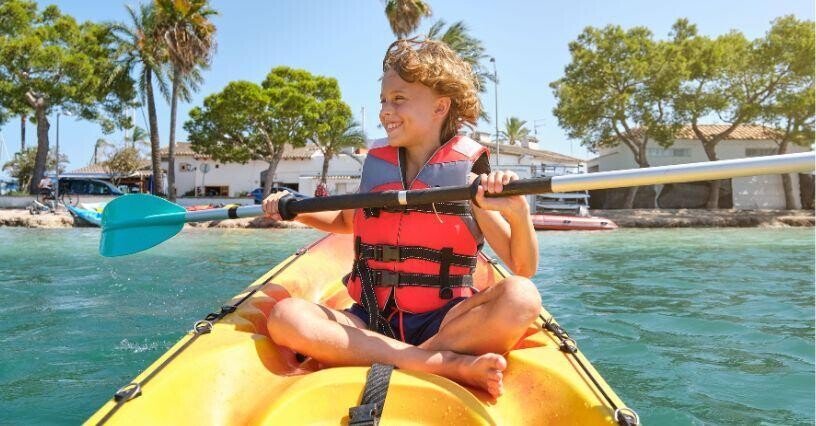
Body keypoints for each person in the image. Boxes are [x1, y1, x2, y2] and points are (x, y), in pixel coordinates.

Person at [262, 39, 540, 398]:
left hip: (445, 323)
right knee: (286, 317)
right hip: (369, 319)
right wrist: (291, 208)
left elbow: (523, 267)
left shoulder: (466, 179)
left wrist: (518, 212)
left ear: (441, 106)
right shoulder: (378, 168)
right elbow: (345, 221)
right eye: (383, 101)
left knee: (522, 297)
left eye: (398, 99)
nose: (385, 111)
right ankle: (437, 363)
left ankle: (414, 354)